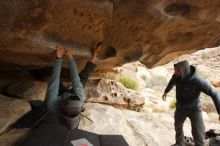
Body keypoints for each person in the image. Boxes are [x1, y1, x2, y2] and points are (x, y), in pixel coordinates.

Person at [162, 60, 220, 146]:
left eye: (178, 70)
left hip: (194, 109)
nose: (175, 72)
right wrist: (166, 91)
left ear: (184, 70)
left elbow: (214, 93)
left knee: (198, 132)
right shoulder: (176, 76)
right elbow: (172, 81)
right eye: (175, 70)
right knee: (178, 126)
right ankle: (179, 143)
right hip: (180, 108)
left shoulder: (198, 81)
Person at [45, 43, 101, 129]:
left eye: (69, 97)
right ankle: (95, 55)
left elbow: (55, 80)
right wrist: (70, 57)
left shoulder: (52, 104)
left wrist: (58, 58)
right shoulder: (79, 100)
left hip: (60, 98)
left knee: (55, 81)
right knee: (84, 76)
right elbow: (76, 79)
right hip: (70, 100)